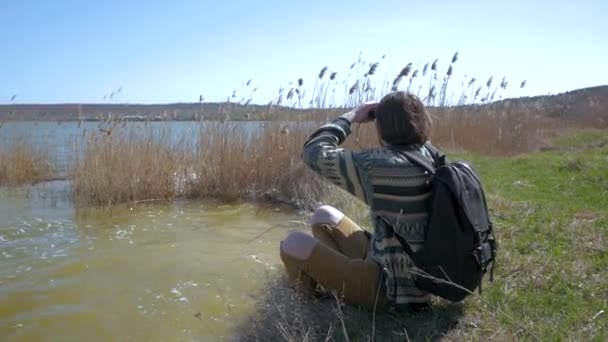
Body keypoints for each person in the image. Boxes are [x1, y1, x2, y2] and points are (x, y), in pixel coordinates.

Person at [279, 91, 442, 311]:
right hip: (415, 274)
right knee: (324, 216)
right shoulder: (430, 156)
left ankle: (315, 304)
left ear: (381, 126)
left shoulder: (377, 166)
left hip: (392, 290)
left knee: (292, 244)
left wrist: (353, 115)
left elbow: (312, 152)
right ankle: (337, 279)